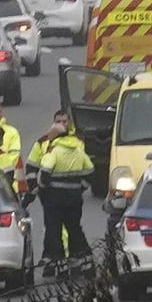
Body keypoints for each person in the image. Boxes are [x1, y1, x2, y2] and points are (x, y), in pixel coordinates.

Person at [38, 116, 95, 276]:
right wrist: (80, 187)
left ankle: (59, 262)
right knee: (74, 228)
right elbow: (90, 170)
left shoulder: (54, 151)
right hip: (74, 198)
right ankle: (83, 259)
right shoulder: (77, 150)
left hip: (55, 198)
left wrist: (44, 189)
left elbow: (44, 175)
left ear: (54, 137)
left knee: (54, 230)